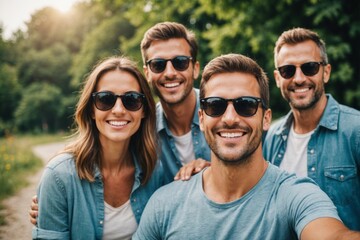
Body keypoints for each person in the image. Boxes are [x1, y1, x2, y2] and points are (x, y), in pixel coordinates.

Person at [132, 53, 360, 240]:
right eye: (215, 106)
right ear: (201, 118)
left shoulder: (296, 196)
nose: (230, 117)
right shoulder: (164, 205)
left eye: (246, 105)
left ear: (266, 118)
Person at [32, 56, 163, 239]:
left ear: (144, 111)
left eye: (132, 99)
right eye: (105, 99)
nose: (118, 110)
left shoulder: (156, 172)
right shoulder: (59, 176)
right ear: (91, 110)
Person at [262, 27, 360, 230]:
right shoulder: (271, 136)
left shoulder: (355, 130)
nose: (298, 78)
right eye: (288, 70)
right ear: (278, 78)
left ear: (326, 72)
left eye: (309, 68)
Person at [140, 22, 211, 183]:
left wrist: (214, 172)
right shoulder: (141, 131)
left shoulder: (224, 112)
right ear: (147, 73)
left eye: (180, 62)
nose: (170, 73)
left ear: (195, 68)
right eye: (158, 65)